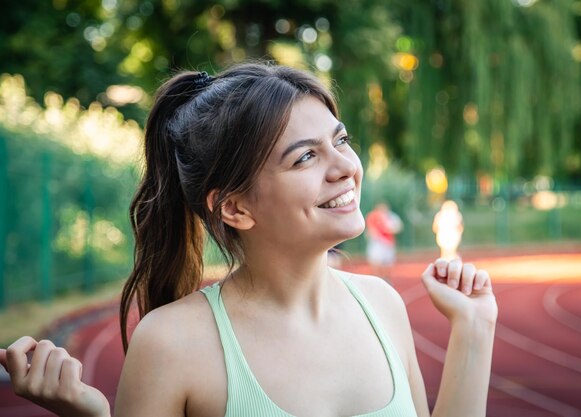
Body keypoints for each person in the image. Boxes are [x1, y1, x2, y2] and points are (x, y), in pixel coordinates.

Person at [0, 63, 497, 417]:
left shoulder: (383, 307)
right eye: (306, 157)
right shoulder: (172, 343)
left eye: (340, 141)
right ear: (235, 207)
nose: (346, 168)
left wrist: (474, 329)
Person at [365, 202, 403, 282]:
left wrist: (390, 229)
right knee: (376, 261)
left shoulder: (391, 216)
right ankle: (377, 279)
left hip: (388, 242)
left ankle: (386, 279)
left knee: (387, 262)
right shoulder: (373, 216)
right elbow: (370, 229)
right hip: (377, 242)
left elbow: (398, 227)